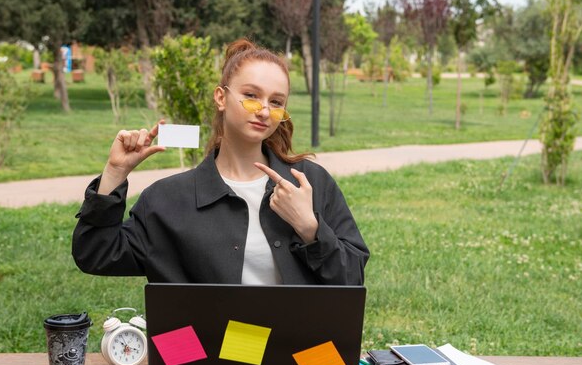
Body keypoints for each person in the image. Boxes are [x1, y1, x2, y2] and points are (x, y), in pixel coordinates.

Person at [72, 38, 369, 285]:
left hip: (300, 347)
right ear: (221, 98)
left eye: (276, 102)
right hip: (209, 351)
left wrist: (310, 228)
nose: (264, 111)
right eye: (251, 95)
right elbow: (96, 253)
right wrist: (114, 173)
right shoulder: (168, 200)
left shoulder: (310, 184)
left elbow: (352, 277)